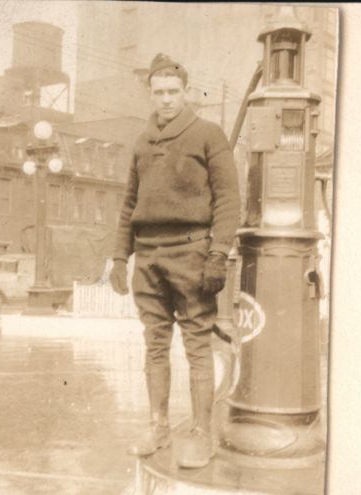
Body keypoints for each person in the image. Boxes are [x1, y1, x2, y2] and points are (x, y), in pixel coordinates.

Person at [109, 53, 240, 468]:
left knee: (198, 346)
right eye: (159, 92)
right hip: (148, 255)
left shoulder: (207, 134)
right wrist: (118, 255)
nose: (166, 99)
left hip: (192, 252)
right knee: (155, 346)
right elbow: (130, 201)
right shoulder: (143, 141)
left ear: (185, 92)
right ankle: (158, 426)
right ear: (151, 94)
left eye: (173, 92)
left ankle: (203, 434)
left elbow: (227, 200)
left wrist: (218, 253)